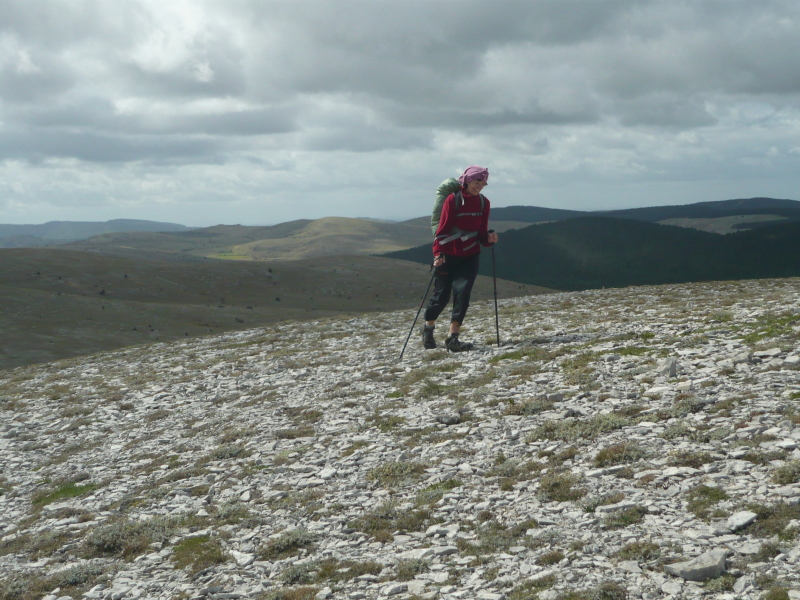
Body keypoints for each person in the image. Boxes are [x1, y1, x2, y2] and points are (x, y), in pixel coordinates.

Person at [422, 165, 499, 352]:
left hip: (470, 255)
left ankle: (453, 338)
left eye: (483, 182)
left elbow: (481, 234)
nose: (480, 186)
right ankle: (428, 328)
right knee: (440, 297)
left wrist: (489, 239)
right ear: (467, 181)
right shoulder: (453, 199)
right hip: (448, 254)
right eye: (477, 181)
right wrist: (438, 253)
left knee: (462, 295)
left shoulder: (484, 202)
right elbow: (442, 230)